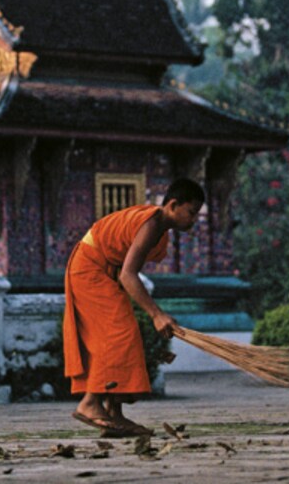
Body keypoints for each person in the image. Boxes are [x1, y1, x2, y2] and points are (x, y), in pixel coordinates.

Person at [63, 177, 205, 436]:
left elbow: (124, 271)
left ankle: (114, 415)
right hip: (90, 268)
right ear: (173, 205)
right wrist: (157, 315)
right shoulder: (150, 224)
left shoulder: (158, 227)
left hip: (107, 270)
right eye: (191, 212)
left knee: (122, 332)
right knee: (119, 332)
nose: (193, 220)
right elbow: (128, 275)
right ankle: (90, 402)